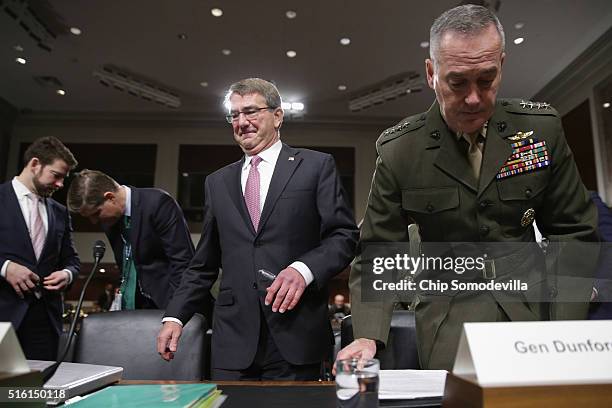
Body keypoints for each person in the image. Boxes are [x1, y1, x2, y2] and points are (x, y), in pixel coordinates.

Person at [337, 4, 598, 371]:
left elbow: (573, 231)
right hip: (448, 318)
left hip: (531, 311)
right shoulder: (401, 151)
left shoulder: (541, 131)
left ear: (502, 66)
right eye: (457, 82)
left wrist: (565, 326)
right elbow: (378, 249)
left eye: (486, 80)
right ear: (432, 73)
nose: (474, 98)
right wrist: (367, 333)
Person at [157, 78, 359, 380]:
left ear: (278, 116)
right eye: (234, 115)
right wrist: (175, 316)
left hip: (296, 335)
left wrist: (304, 270)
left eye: (251, 111)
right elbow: (203, 264)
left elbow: (344, 236)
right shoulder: (217, 182)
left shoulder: (316, 166)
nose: (241, 122)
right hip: (232, 342)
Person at [67, 170, 194, 310]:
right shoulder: (110, 220)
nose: (94, 221)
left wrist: (176, 312)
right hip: (133, 309)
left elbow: (183, 263)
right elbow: (126, 264)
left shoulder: (158, 203)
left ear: (110, 197)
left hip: (167, 305)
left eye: (96, 213)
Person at [0, 136, 80, 360]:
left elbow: (72, 260)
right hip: (3, 315)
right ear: (35, 164)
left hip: (45, 320)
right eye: (56, 176)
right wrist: (5, 267)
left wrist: (67, 274)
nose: (60, 184)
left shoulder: (60, 212)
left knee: (36, 394)